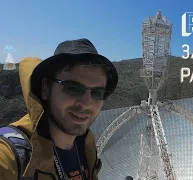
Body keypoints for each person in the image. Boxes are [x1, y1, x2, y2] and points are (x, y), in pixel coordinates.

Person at [0, 38, 118, 179]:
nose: (87, 103)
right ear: (46, 88)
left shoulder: (86, 148)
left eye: (98, 93)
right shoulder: (11, 154)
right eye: (73, 88)